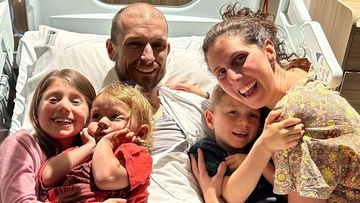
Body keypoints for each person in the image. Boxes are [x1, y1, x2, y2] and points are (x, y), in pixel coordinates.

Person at [199, 3, 360, 202]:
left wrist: (212, 198)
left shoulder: (290, 118)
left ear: (269, 50)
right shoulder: (300, 74)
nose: (233, 78)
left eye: (240, 58)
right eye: (221, 72)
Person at [104, 3, 214, 202]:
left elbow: (242, 126)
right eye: (134, 44)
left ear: (168, 50)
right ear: (112, 49)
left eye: (158, 45)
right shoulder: (82, 114)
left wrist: (209, 97)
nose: (148, 57)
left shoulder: (193, 107)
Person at [40, 82, 154, 203]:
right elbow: (47, 176)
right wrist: (90, 146)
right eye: (96, 116)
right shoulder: (82, 150)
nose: (102, 121)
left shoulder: (136, 154)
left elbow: (106, 178)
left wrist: (105, 143)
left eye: (115, 116)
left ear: (140, 133)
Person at [189, 84, 301, 203]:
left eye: (253, 115)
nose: (244, 122)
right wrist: (258, 156)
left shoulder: (263, 144)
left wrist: (262, 165)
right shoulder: (206, 151)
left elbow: (289, 192)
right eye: (233, 112)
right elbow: (231, 197)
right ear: (211, 119)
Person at [0, 69, 97, 202]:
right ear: (36, 110)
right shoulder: (20, 145)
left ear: (90, 114)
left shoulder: (98, 153)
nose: (64, 106)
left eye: (75, 102)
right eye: (53, 100)